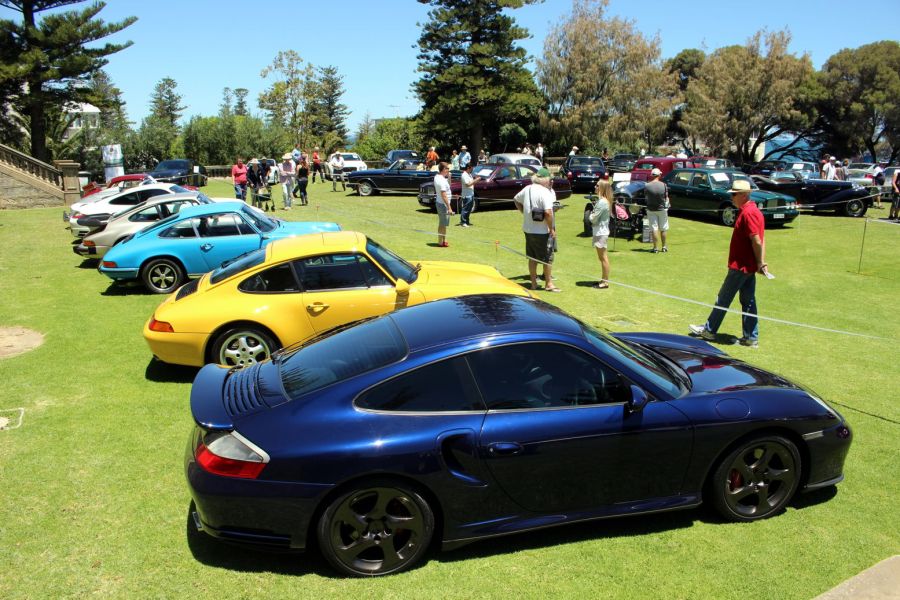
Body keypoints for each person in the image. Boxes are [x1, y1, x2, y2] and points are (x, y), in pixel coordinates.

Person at [689, 179, 769, 348]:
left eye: (735, 194)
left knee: (724, 298)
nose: (732, 197)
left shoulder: (749, 213)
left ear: (744, 195)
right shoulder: (751, 211)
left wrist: (761, 262)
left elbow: (757, 240)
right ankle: (751, 338)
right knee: (748, 301)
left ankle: (709, 330)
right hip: (747, 266)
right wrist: (760, 263)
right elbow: (760, 240)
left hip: (741, 266)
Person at [514, 167, 560, 292]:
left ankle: (533, 284)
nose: (550, 181)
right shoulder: (545, 192)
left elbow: (516, 199)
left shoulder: (527, 188)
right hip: (542, 231)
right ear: (545, 179)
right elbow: (548, 213)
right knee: (548, 258)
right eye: (549, 179)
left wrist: (524, 212)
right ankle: (549, 283)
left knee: (532, 258)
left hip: (528, 229)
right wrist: (551, 229)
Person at [590, 179, 613, 289]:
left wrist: (591, 214)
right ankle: (603, 279)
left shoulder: (602, 202)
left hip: (601, 232)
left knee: (603, 257)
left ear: (602, 188)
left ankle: (605, 282)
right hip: (600, 231)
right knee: (602, 257)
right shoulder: (603, 201)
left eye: (597, 185)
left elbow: (593, 218)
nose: (595, 187)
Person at [644, 167, 669, 253]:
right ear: (659, 175)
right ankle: (664, 247)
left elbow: (646, 197)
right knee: (663, 228)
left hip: (651, 209)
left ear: (652, 175)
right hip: (662, 209)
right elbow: (666, 197)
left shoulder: (647, 185)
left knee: (654, 228)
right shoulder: (664, 185)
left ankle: (655, 248)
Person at [434, 162, 453, 247]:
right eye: (447, 168)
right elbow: (443, 194)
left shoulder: (439, 177)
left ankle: (444, 240)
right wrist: (449, 208)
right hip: (443, 204)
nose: (449, 170)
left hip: (442, 203)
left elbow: (448, 186)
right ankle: (440, 242)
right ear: (443, 169)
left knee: (444, 223)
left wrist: (449, 177)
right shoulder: (441, 180)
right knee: (442, 223)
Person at [459, 163, 481, 227]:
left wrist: (476, 180)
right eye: (471, 168)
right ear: (468, 168)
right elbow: (467, 184)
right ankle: (463, 222)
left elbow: (471, 183)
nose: (472, 169)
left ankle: (466, 221)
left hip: (471, 194)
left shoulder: (469, 174)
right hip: (466, 195)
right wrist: (476, 180)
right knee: (465, 209)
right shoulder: (464, 175)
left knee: (469, 209)